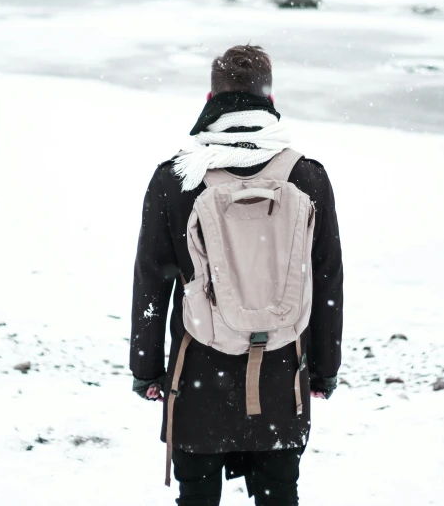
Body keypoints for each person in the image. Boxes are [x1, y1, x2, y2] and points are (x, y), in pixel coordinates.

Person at [130, 45, 343, 506]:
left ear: (211, 95)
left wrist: (147, 369)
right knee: (278, 494)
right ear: (269, 97)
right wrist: (324, 370)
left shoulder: (176, 179)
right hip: (282, 375)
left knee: (198, 496)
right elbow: (326, 280)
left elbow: (151, 281)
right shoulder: (307, 176)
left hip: (198, 373)